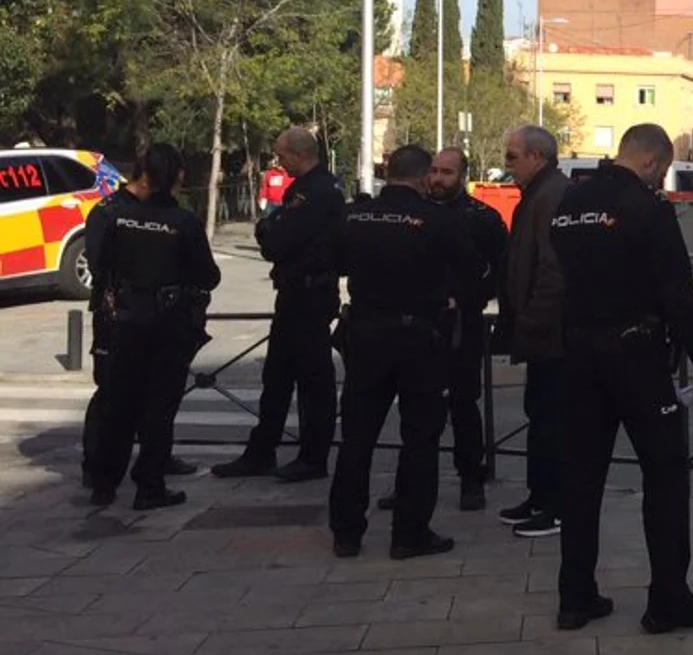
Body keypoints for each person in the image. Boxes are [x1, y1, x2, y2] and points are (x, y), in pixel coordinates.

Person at [549, 124, 693, 633]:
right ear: (652, 162)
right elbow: (677, 292)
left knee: (581, 478)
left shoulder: (570, 203)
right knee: (666, 475)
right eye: (661, 171)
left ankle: (575, 597)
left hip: (578, 352)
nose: (659, 179)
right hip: (636, 356)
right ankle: (668, 600)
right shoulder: (649, 208)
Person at [328, 145, 479, 561]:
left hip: (365, 334)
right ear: (424, 176)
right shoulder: (438, 219)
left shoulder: (354, 216)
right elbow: (471, 269)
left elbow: (335, 260)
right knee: (420, 437)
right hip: (419, 338)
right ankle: (409, 533)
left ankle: (346, 532)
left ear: (388, 171)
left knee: (357, 436)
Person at [88, 143, 221, 510]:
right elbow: (208, 276)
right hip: (167, 322)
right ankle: (149, 484)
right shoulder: (182, 222)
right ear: (177, 177)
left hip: (124, 320)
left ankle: (104, 481)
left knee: (118, 403)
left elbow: (99, 264)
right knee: (159, 406)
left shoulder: (115, 215)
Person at [377, 148, 507, 514]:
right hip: (416, 326)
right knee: (415, 412)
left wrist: (462, 298)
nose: (438, 179)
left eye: (447, 172)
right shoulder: (412, 214)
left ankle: (471, 478)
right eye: (433, 171)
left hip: (461, 325)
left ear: (463, 175)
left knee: (463, 405)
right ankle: (410, 486)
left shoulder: (482, 219)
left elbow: (498, 273)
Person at [215, 127, 343, 482]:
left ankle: (312, 456)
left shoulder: (315, 192)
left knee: (312, 380)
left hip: (309, 296)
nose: (278, 161)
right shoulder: (312, 188)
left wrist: (269, 228)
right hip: (297, 294)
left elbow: (277, 241)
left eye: (282, 155)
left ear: (299, 154)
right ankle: (262, 451)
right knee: (277, 377)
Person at [494, 126, 570, 538]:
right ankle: (539, 496)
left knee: (551, 421)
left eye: (511, 156)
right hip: (538, 331)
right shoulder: (537, 194)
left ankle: (554, 505)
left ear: (537, 157)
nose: (507, 165)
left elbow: (552, 269)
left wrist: (533, 319)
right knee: (539, 416)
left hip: (551, 334)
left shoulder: (551, 195)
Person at [80, 168, 143, 491]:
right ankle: (96, 463)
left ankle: (153, 457)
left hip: (147, 316)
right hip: (113, 312)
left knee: (152, 389)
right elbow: (98, 261)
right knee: (109, 389)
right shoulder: (108, 211)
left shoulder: (154, 211)